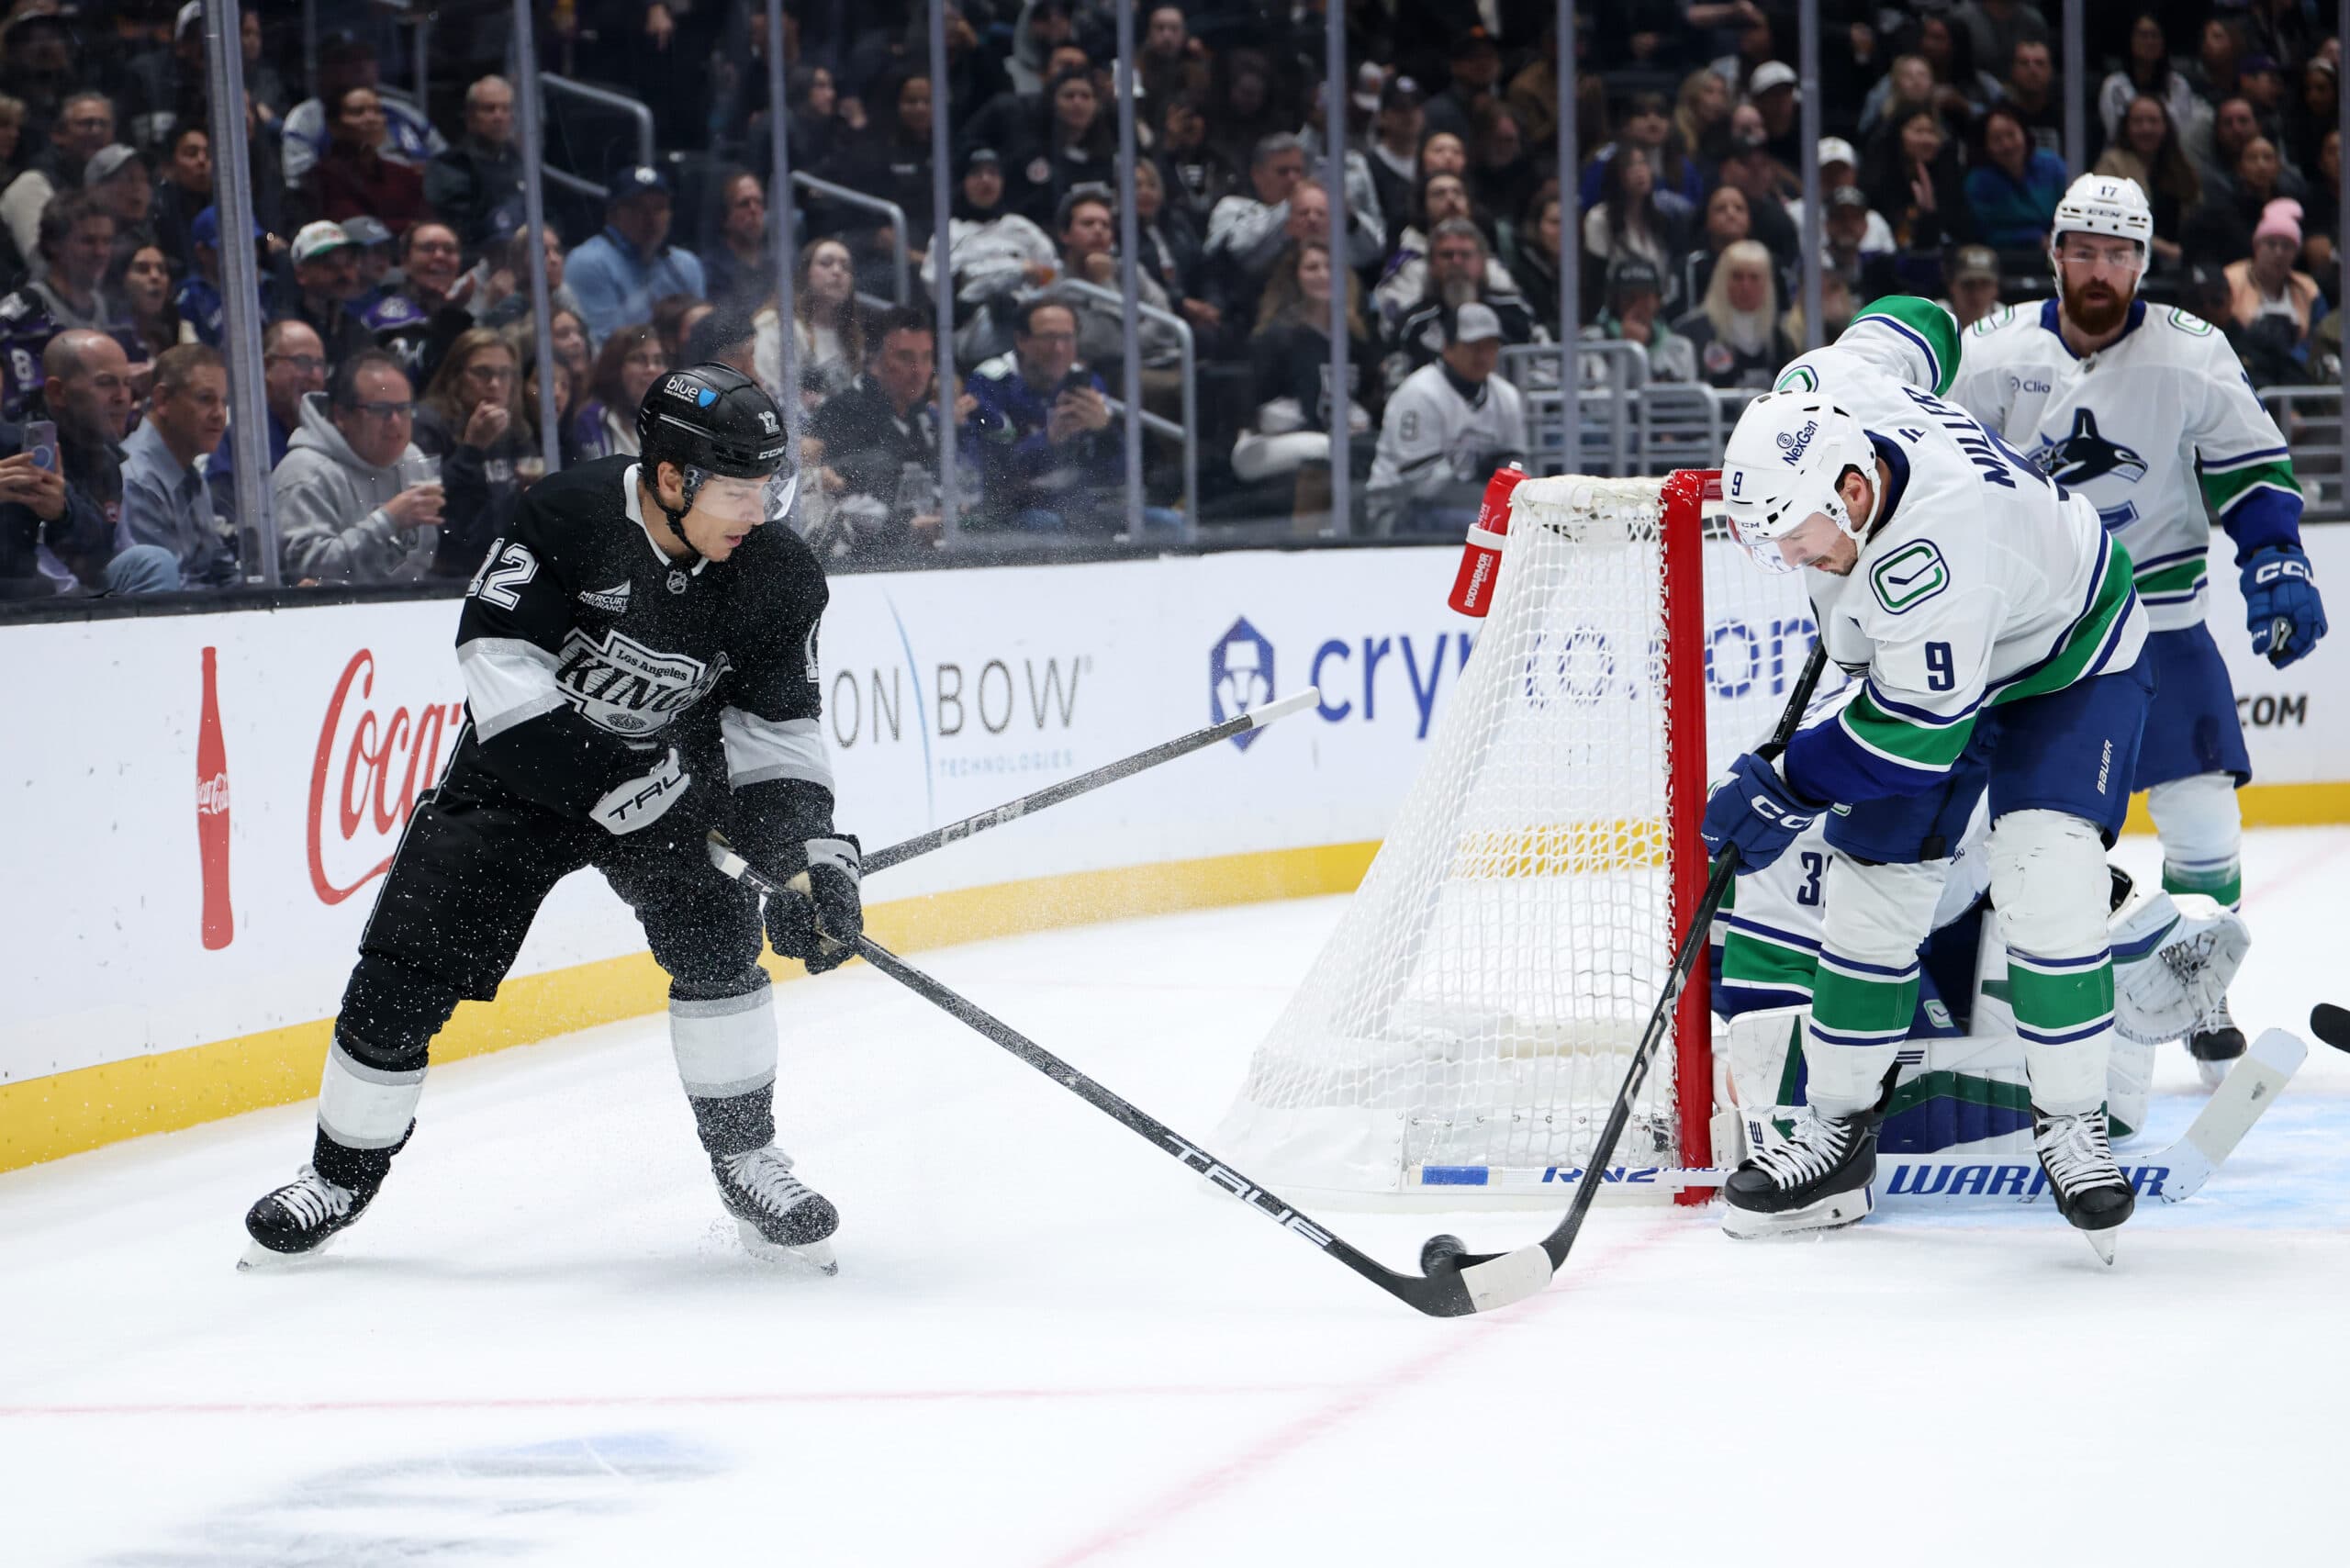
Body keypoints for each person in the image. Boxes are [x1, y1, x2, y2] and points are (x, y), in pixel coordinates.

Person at [240, 362, 853, 1275]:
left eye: (768, 486)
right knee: (405, 969)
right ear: (672, 477)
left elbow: (778, 732)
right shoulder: (569, 514)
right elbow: (496, 663)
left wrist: (807, 858)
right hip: (522, 775)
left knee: (721, 954)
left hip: (675, 788)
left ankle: (747, 1160)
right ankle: (337, 1175)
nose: (758, 510)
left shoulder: (777, 572)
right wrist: (610, 776)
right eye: (738, 489)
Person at [1704, 297, 2154, 1255]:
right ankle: (1837, 1134)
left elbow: (1911, 740)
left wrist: (1782, 782)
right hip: (1941, 667)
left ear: (1854, 490)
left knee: (2046, 873)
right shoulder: (1823, 391)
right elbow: (1921, 320)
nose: (1791, 559)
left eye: (1800, 537)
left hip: (2066, 658)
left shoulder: (1935, 554)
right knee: (1872, 893)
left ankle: (2071, 1124)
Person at [1948, 176, 2324, 1086]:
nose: (2100, 270)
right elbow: (1937, 475)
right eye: (2083, 250)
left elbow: (2251, 467)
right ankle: (2001, 998)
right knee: (2010, 828)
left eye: (2118, 254)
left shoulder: (2191, 354)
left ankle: (2202, 997)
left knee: (2202, 817)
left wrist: (2276, 554)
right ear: (2054, 255)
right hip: (2036, 631)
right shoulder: (1990, 353)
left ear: (2144, 263)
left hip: (2159, 617)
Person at [273, 348, 442, 583]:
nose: (395, 421)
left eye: (403, 409)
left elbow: (422, 560)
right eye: (380, 410)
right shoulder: (304, 473)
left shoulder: (413, 459)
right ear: (341, 416)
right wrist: (386, 521)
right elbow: (307, 571)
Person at [803, 306, 958, 562]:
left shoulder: (920, 415)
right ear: (873, 362)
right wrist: (904, 527)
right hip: (860, 563)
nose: (919, 370)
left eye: (926, 357)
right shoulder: (844, 412)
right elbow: (834, 498)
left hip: (917, 555)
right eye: (905, 357)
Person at [37, 329, 180, 594]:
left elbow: (121, 548)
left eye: (127, 383)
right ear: (58, 392)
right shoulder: (28, 453)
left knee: (153, 562)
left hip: (95, 602)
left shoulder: (109, 460)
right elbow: (34, 564)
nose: (123, 397)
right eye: (105, 383)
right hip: (48, 608)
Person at [1365, 302, 1526, 537]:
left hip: (1470, 504)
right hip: (1398, 509)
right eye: (1473, 346)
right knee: (1482, 528)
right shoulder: (1419, 393)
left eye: (1490, 346)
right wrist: (1488, 501)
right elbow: (1423, 485)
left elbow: (1514, 466)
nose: (1483, 355)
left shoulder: (1506, 396)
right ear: (1448, 348)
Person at [960, 297, 1118, 532]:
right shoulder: (990, 383)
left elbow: (1119, 474)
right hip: (1014, 510)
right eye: (1048, 338)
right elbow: (993, 474)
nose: (1059, 349)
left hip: (1079, 507)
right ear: (1021, 340)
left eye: (1067, 337)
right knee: (1045, 524)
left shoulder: (1086, 383)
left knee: (1165, 523)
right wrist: (1048, 440)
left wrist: (1105, 432)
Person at [1231, 241, 1375, 488]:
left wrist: (1358, 416)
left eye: (1331, 267)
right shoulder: (1277, 336)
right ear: (1296, 276)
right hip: (1264, 444)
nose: (1323, 274)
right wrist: (1271, 415)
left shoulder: (1354, 339)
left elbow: (1368, 395)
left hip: (1333, 440)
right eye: (1312, 268)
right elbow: (1248, 408)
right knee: (1326, 447)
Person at [414, 328, 530, 579]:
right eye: (482, 373)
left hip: (501, 567)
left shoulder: (515, 428)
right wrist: (472, 449)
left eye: (505, 374)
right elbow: (426, 502)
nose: (495, 384)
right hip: (446, 572)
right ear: (455, 377)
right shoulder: (428, 424)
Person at [0, 191, 127, 421]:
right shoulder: (23, 312)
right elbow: (23, 404)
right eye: (88, 241)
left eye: (107, 241)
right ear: (54, 244)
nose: (100, 252)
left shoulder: (113, 310)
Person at [1383, 218, 1540, 395]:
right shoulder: (1411, 324)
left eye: (1465, 255)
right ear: (1432, 265)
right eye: (1447, 255)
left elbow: (1545, 371)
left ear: (1482, 262)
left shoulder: (1516, 311)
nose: (1456, 262)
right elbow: (1395, 391)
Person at [120, 342, 233, 587]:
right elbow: (166, 597)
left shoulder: (189, 472)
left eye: (224, 402)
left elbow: (221, 571)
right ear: (162, 400)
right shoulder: (136, 480)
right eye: (205, 399)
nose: (219, 414)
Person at [279, 33, 443, 188]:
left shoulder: (404, 111)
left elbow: (446, 163)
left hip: (424, 199)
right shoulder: (307, 117)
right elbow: (300, 184)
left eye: (366, 58)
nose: (360, 66)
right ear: (325, 70)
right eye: (346, 59)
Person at [568, 167, 707, 347]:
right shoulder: (589, 263)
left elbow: (704, 333)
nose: (650, 218)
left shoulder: (685, 264)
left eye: (659, 207)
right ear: (613, 214)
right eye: (637, 207)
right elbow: (607, 346)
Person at [207, 318, 323, 507]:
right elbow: (225, 513)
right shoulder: (237, 439)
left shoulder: (330, 437)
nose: (315, 376)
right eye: (303, 362)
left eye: (320, 365)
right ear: (266, 366)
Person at [755, 237, 873, 419]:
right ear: (805, 273)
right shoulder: (779, 326)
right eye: (825, 263)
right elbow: (769, 389)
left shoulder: (853, 338)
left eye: (845, 267)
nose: (837, 271)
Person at [0, 87, 111, 268]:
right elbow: (44, 264)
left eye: (103, 124)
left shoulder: (111, 185)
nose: (96, 131)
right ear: (58, 134)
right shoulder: (32, 184)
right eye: (86, 123)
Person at [2223, 198, 2326, 386]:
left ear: (2296, 253)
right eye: (2271, 244)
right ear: (2256, 247)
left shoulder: (2308, 289)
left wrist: (2293, 358)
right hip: (2245, 369)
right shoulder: (2231, 280)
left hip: (2295, 373)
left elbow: (2320, 337)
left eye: (2287, 246)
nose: (2279, 253)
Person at [2094, 95, 2201, 271]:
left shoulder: (2180, 165)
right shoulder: (2112, 164)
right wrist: (2166, 249)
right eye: (2138, 122)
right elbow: (2109, 220)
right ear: (2126, 127)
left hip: (2181, 264)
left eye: (2153, 121)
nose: (2146, 128)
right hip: (2127, 262)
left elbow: (2196, 214)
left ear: (2165, 126)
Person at [304, 84, 429, 236]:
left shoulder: (405, 175)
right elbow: (352, 227)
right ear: (333, 125)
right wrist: (409, 226)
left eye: (377, 111)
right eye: (358, 112)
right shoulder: (323, 176)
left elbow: (427, 224)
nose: (371, 119)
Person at [364, 221, 473, 388]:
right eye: (428, 248)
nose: (440, 256)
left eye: (449, 250)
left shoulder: (469, 319)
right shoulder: (383, 321)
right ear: (405, 261)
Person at [1674, 239, 1793, 388]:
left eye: (1754, 277)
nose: (1745, 286)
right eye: (1737, 277)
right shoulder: (1691, 332)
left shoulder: (1780, 336)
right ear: (1721, 279)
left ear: (1766, 283)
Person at [423, 75, 522, 250]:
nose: (498, 116)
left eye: (505, 109)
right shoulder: (451, 165)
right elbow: (460, 229)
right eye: (489, 109)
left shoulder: (520, 162)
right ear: (471, 117)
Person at [1964, 104, 2068, 249]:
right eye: (1997, 139)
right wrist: (2036, 238)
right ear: (1986, 146)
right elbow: (1985, 233)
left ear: (2024, 134)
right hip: (2007, 254)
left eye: (2011, 135)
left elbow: (2073, 208)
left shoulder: (2052, 164)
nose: (2007, 145)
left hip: (2059, 245)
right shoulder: (1978, 182)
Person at [1581, 258, 1695, 384]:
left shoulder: (1680, 348)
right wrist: (1628, 348)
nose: (1637, 306)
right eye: (1629, 297)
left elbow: (1687, 394)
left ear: (1658, 301)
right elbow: (1594, 394)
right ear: (1614, 301)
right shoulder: (1589, 343)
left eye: (1645, 297)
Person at [282, 220, 375, 368]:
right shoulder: (285, 332)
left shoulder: (358, 330)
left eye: (349, 263)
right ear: (301, 274)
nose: (344, 274)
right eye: (330, 265)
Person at [572, 324, 671, 461]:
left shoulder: (672, 419)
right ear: (614, 368)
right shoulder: (593, 419)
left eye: (658, 361)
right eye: (639, 359)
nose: (651, 369)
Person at [701, 169, 775, 315]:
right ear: (725, 217)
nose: (753, 210)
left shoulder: (775, 264)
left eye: (759, 202)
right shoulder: (710, 270)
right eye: (744, 204)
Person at [149, 122, 210, 275]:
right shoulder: (158, 209)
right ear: (170, 165)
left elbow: (266, 236)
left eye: (208, 154)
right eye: (191, 154)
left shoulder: (226, 203)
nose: (202, 161)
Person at [1944, 242, 2002, 326]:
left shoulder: (2006, 319)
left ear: (1996, 288)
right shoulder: (1934, 317)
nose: (1977, 293)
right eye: (1968, 284)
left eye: (1985, 284)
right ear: (1952, 286)